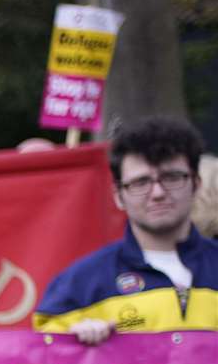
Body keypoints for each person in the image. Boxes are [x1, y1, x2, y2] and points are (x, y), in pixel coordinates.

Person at [33, 116, 216, 344]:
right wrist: (73, 345)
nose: (158, 193)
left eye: (171, 177)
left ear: (196, 184)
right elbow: (39, 360)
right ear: (118, 196)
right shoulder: (80, 284)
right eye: (141, 183)